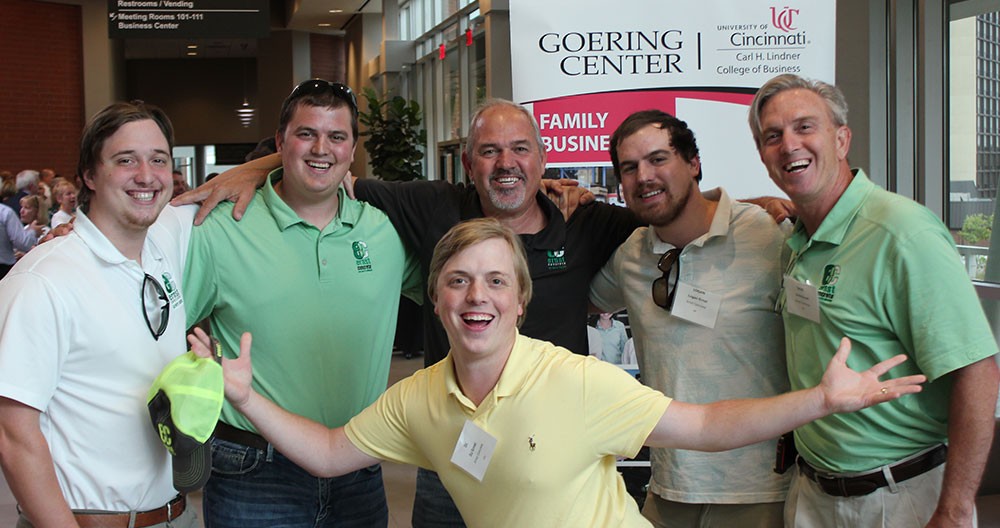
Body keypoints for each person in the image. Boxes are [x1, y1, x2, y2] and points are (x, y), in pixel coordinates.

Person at [188, 217, 925, 528]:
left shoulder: (572, 380)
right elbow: (325, 452)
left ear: (519, 301)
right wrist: (247, 399)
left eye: (495, 282)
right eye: (459, 281)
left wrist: (820, 399)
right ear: (436, 298)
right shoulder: (416, 398)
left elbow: (701, 426)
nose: (477, 296)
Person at [749, 73, 1000, 527]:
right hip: (812, 494)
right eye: (773, 136)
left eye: (805, 127)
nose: (789, 145)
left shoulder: (902, 233)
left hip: (901, 498)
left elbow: (977, 370)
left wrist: (955, 508)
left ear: (842, 139)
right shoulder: (795, 243)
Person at [183, 79, 421, 528]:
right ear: (280, 143)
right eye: (306, 133)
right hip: (253, 471)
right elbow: (162, 328)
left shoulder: (383, 232)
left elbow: (457, 286)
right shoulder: (221, 229)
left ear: (353, 150)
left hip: (358, 464)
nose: (321, 148)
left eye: (337, 136)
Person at [589, 109, 792, 527]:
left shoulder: (767, 235)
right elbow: (581, 299)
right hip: (669, 487)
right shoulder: (631, 255)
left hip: (758, 490)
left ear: (694, 164)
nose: (643, 176)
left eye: (658, 159)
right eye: (629, 167)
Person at [0, 101, 197, 527]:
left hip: (175, 514)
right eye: (125, 160)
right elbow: (13, 435)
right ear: (88, 175)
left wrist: (325, 162)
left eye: (158, 160)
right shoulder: (42, 280)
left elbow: (249, 176)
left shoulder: (166, 237)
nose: (146, 175)